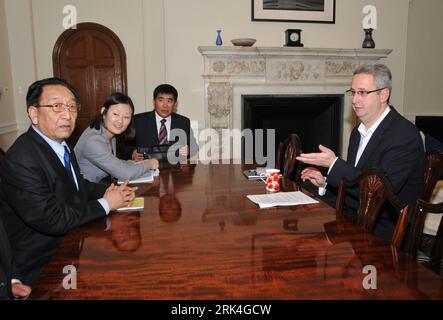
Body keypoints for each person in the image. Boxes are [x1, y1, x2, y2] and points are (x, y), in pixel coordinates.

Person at [0, 77, 137, 286]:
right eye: (56, 106)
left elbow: (76, 186)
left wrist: (111, 190)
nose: (67, 115)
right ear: (34, 113)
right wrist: (107, 203)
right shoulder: (22, 158)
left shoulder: (62, 146)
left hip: (71, 245)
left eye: (72, 107)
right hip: (41, 266)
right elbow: (52, 219)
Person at [297, 63, 424, 244]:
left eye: (363, 92)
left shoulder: (404, 136)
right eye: (353, 92)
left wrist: (334, 164)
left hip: (387, 234)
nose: (355, 100)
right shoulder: (359, 132)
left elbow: (377, 192)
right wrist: (325, 183)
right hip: (357, 219)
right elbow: (357, 187)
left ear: (383, 94)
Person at [74, 92, 159, 183]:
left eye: (126, 117)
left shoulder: (110, 134)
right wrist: (149, 164)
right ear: (103, 112)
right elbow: (125, 174)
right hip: (83, 193)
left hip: (97, 187)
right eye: (115, 114)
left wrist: (140, 163)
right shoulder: (93, 140)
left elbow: (115, 163)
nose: (120, 121)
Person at [129, 84, 198, 162]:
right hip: (145, 169)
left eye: (169, 101)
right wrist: (132, 153)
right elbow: (123, 146)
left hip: (174, 170)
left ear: (175, 104)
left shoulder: (183, 122)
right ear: (154, 102)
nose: (165, 105)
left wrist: (189, 150)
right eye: (161, 100)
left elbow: (194, 147)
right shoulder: (138, 121)